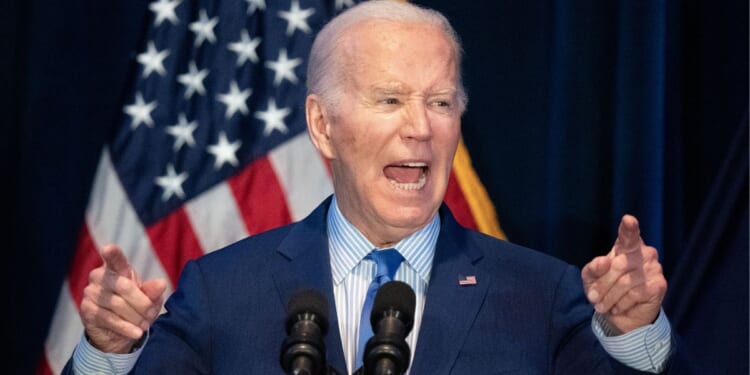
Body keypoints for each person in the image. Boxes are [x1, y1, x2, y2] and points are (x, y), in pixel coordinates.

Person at [63, 1, 691, 374]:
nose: (420, 128)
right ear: (322, 125)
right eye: (389, 100)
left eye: (440, 102)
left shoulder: (542, 295)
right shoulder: (224, 292)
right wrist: (108, 353)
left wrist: (636, 334)